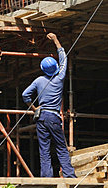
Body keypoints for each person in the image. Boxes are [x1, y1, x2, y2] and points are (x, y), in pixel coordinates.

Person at [22, 31, 76, 179]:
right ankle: (69, 175)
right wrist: (55, 40)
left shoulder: (39, 81)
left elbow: (25, 95)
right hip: (53, 116)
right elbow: (64, 59)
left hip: (41, 116)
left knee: (44, 149)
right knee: (60, 147)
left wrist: (34, 109)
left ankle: (46, 177)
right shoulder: (59, 78)